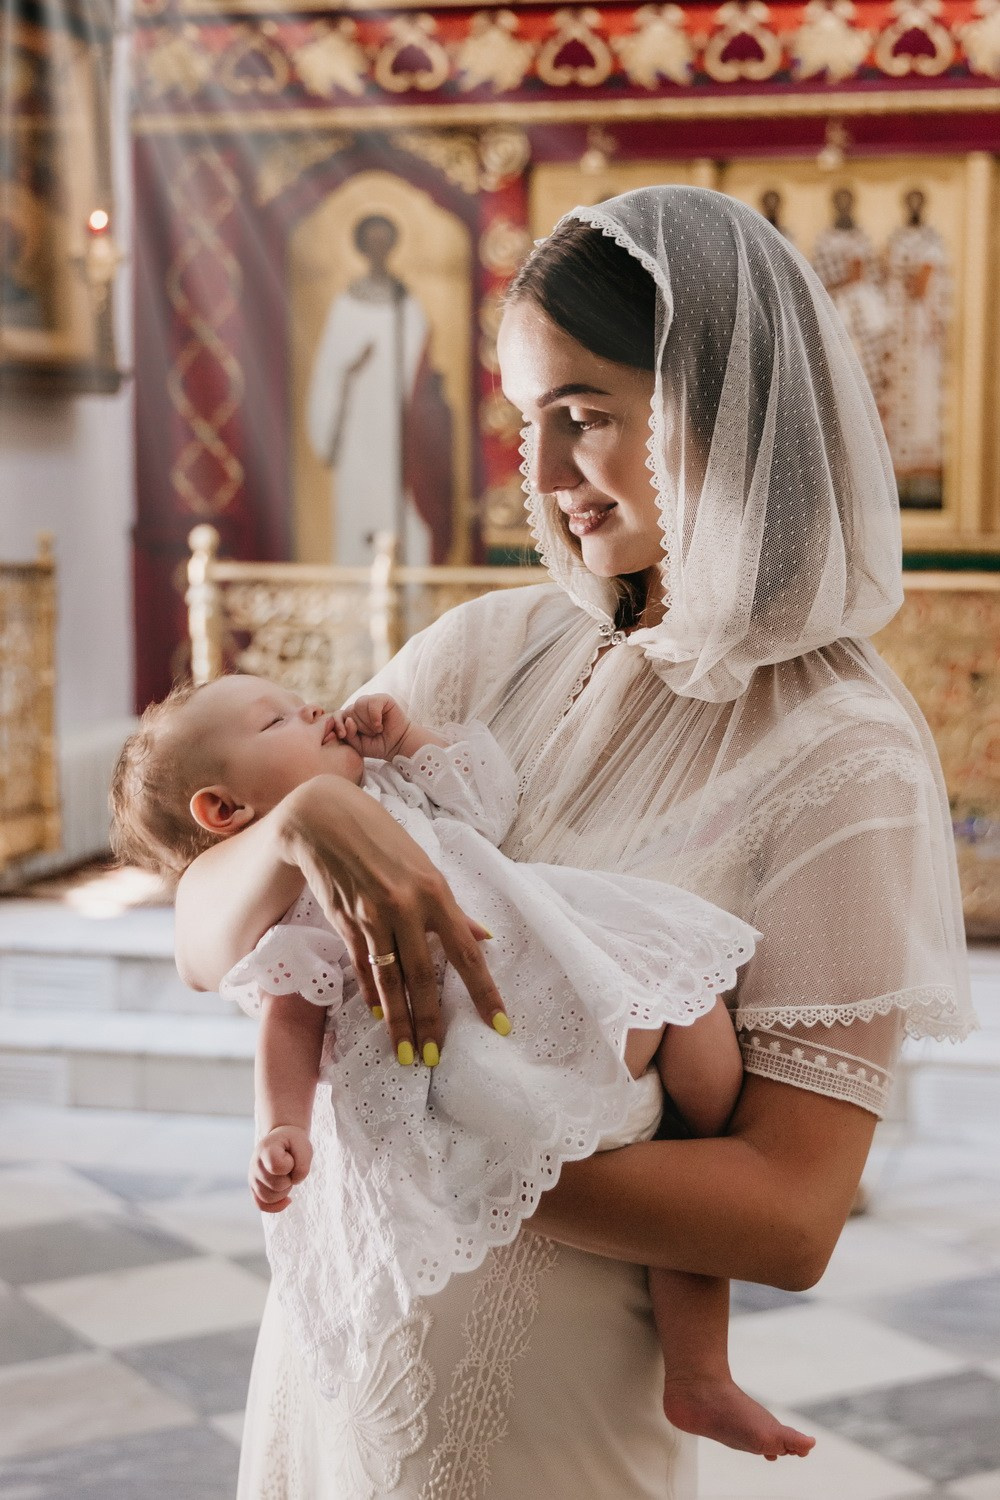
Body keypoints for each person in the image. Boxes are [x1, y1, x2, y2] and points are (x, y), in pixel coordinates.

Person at [175, 186, 974, 1499]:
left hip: (535, 1428)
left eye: (585, 417)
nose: (542, 477)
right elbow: (212, 943)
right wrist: (304, 824)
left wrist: (423, 1135)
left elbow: (789, 1216)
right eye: (526, 422)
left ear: (715, 403)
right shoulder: (481, 652)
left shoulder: (843, 751)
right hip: (327, 1372)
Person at [110, 671, 816, 1461]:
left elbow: (489, 802)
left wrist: (411, 740)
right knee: (672, 1103)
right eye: (275, 719)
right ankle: (700, 1365)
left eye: (300, 696)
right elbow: (290, 1014)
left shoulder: (390, 784)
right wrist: (280, 1125)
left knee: (694, 1058)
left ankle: (700, 1373)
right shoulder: (297, 894)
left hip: (558, 963)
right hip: (478, 1036)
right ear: (224, 809)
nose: (312, 708)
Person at [307, 212, 454, 566]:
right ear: (360, 247)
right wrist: (349, 368)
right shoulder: (345, 304)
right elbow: (329, 370)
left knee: (400, 507)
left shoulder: (406, 303)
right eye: (370, 242)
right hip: (358, 425)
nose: (378, 249)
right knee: (361, 506)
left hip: (402, 425)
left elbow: (422, 361)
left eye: (383, 241)